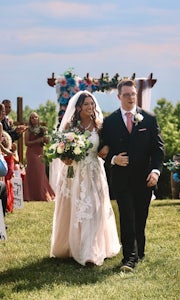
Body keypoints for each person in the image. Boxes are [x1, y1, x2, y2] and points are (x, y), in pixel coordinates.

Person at [99, 79, 164, 272]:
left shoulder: (149, 119)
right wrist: (113, 159)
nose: (130, 97)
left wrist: (156, 171)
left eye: (133, 94)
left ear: (136, 95)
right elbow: (102, 150)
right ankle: (129, 258)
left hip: (144, 179)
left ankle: (139, 251)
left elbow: (158, 149)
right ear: (119, 97)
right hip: (121, 179)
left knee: (140, 218)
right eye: (126, 94)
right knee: (127, 217)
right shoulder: (109, 122)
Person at [50, 91, 121, 266]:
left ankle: (91, 250)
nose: (91, 107)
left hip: (94, 171)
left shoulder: (99, 126)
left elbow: (108, 144)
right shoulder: (69, 127)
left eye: (92, 104)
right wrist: (65, 158)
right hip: (74, 173)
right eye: (87, 104)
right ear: (79, 107)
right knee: (76, 207)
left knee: (95, 208)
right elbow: (61, 150)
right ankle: (73, 246)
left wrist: (106, 148)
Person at [23, 112, 55, 201]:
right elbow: (26, 143)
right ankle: (31, 195)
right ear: (30, 119)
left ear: (38, 118)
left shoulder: (42, 129)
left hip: (40, 152)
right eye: (32, 117)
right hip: (31, 153)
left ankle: (42, 194)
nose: (34, 119)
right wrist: (37, 140)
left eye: (36, 117)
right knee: (33, 172)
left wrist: (46, 138)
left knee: (41, 173)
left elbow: (47, 142)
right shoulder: (28, 130)